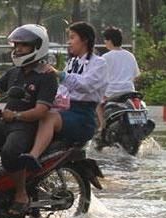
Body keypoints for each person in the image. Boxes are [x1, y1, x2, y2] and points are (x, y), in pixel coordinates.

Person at [0, 24, 57, 215]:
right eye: (16, 45)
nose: (18, 50)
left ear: (37, 47)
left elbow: (41, 111)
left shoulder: (46, 76)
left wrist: (17, 115)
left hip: (26, 126)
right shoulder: (14, 73)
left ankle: (21, 194)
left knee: (10, 152)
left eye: (23, 46)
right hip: (5, 123)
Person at [22, 22, 107, 177]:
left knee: (48, 118)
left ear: (85, 40)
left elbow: (86, 85)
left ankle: (33, 156)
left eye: (72, 37)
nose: (69, 42)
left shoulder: (99, 63)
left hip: (83, 116)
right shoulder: (72, 62)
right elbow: (62, 91)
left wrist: (60, 75)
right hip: (66, 110)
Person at [96, 26, 140, 130]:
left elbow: (98, 78)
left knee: (96, 102)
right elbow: (136, 75)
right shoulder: (130, 55)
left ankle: (102, 126)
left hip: (111, 94)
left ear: (110, 41)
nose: (105, 42)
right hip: (129, 93)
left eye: (105, 40)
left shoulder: (105, 57)